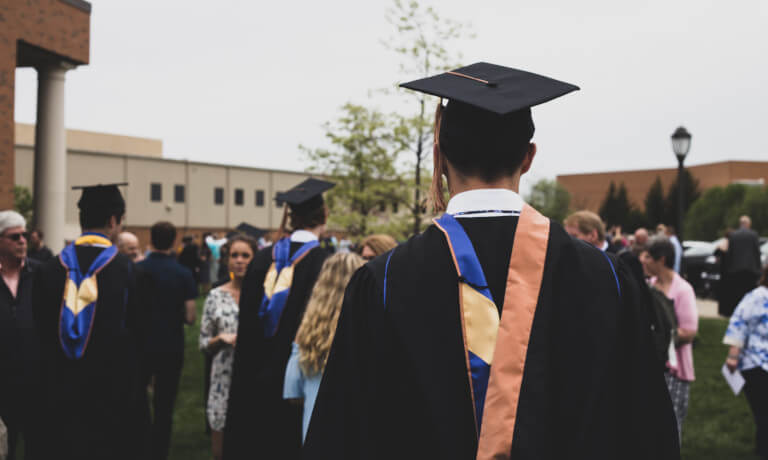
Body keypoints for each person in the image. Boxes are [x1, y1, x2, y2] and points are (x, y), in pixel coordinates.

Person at [304, 63, 678, 459]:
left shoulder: (382, 281)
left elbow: (341, 435)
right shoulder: (606, 277)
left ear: (440, 155)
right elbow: (645, 430)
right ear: (529, 157)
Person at [32, 183, 145, 460]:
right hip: (112, 397)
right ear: (113, 220)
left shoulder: (47, 269)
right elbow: (140, 337)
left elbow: (37, 329)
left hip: (57, 394)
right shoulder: (129, 271)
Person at [224, 178, 334, 460]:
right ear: (324, 216)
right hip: (294, 382)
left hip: (252, 374)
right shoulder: (325, 264)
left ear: (290, 218)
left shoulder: (260, 259)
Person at [284, 252, 365, 442]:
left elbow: (292, 389)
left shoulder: (308, 331)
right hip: (357, 429)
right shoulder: (369, 326)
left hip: (316, 431)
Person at [138, 221, 197, 460]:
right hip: (171, 343)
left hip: (142, 343)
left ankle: (140, 443)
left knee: (139, 398)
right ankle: (159, 451)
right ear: (174, 242)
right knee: (165, 403)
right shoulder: (182, 273)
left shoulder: (137, 269)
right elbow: (191, 317)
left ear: (150, 239)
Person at [199, 235, 256, 460]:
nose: (239, 261)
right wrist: (220, 339)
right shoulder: (215, 296)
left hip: (252, 382)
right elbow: (203, 344)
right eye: (234, 255)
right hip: (223, 382)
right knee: (221, 453)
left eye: (245, 256)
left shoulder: (263, 296)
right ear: (227, 260)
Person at [641, 237, 698, 441]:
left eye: (648, 257)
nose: (644, 260)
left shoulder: (683, 290)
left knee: (670, 427)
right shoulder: (650, 285)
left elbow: (689, 331)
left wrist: (660, 335)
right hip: (653, 366)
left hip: (675, 371)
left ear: (661, 260)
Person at [0, 211, 42, 460]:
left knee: (37, 443)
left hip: (36, 378)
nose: (22, 241)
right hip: (3, 381)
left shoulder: (40, 274)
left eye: (25, 235)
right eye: (14, 237)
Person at [723, 265, 768, 460]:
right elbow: (738, 323)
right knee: (764, 414)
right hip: (756, 363)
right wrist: (733, 355)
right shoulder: (757, 297)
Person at [718, 215, 762, 317]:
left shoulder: (733, 235)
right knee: (749, 294)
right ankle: (749, 313)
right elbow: (757, 253)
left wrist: (729, 268)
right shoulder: (753, 235)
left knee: (737, 294)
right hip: (750, 270)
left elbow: (730, 253)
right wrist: (758, 269)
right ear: (748, 224)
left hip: (736, 270)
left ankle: (738, 312)